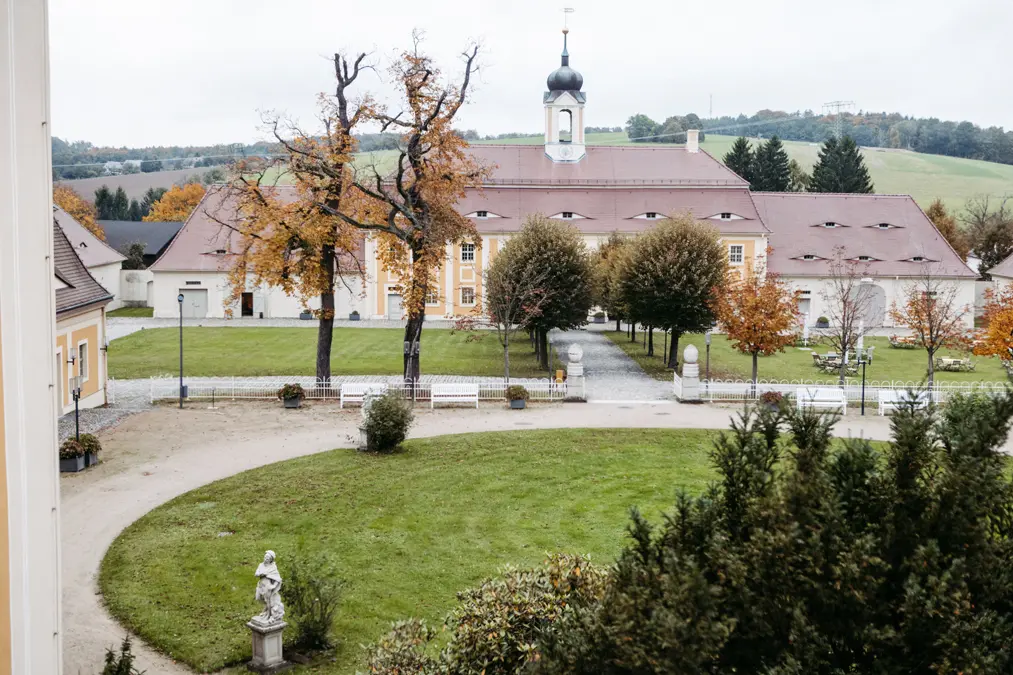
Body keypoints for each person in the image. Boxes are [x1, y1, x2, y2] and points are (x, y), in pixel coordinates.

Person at [254, 550, 284, 623]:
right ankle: (266, 611)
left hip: (267, 585)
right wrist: (261, 573)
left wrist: (274, 585)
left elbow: (278, 578)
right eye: (265, 557)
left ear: (271, 560)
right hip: (261, 584)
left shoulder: (272, 567)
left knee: (268, 601)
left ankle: (268, 615)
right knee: (258, 598)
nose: (265, 559)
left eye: (267, 558)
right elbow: (256, 574)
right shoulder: (261, 565)